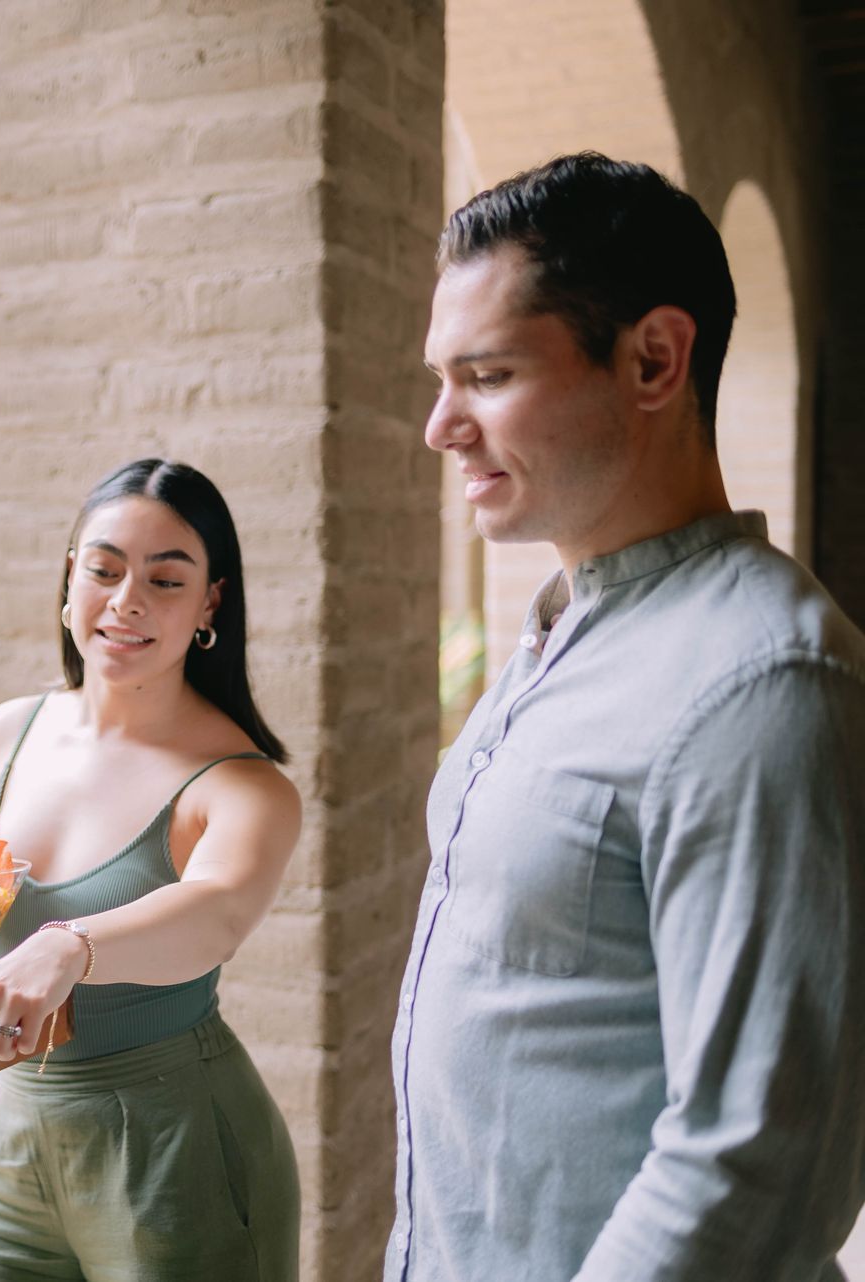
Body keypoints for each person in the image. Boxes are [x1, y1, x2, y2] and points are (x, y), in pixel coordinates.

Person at [388, 152, 865, 1281]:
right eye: (439, 378)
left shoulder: (761, 682)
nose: (438, 427)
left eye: (488, 374)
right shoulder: (561, 630)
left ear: (654, 358)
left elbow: (756, 1156)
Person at [0, 458, 303, 1281]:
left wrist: (70, 945)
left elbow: (218, 912)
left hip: (174, 1144)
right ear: (70, 579)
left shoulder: (244, 785)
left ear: (209, 605)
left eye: (166, 579)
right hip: (15, 1131)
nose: (126, 601)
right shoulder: (8, 733)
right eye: (105, 568)